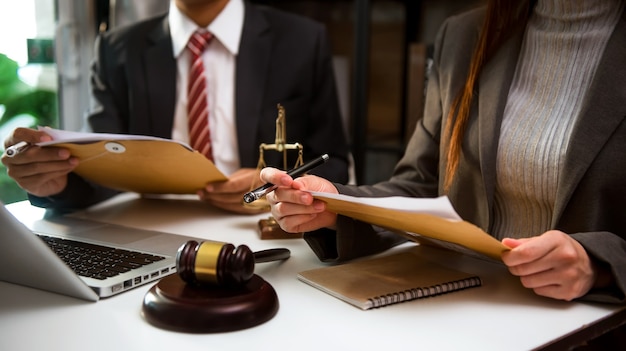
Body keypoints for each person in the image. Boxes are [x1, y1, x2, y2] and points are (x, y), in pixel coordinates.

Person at [260, 0, 626, 305]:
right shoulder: (467, 34)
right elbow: (421, 185)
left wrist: (600, 263)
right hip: (461, 309)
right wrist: (336, 205)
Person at [1, 0, 350, 214]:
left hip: (265, 226)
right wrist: (53, 184)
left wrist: (273, 187)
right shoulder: (117, 50)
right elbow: (96, 169)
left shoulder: (302, 40)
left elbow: (332, 166)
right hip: (147, 226)